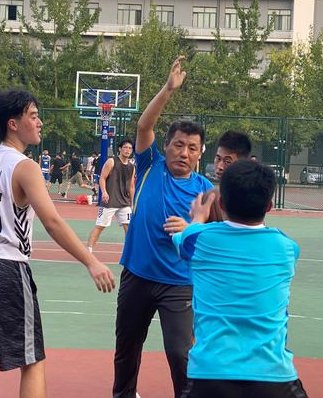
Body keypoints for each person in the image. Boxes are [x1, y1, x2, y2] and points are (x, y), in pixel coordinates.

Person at [0, 88, 115, 398]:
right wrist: (91, 261)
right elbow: (52, 222)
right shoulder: (25, 167)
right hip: (5, 268)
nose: (39, 122)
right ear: (13, 124)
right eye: (33, 116)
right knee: (32, 361)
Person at [113, 56, 214, 398]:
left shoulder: (206, 191)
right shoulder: (150, 165)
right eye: (178, 144)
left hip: (179, 283)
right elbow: (144, 127)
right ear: (166, 146)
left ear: (199, 154)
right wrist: (168, 89)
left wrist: (192, 226)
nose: (184, 152)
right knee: (127, 348)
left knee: (180, 354)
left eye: (192, 148)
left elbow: (216, 238)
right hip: (137, 275)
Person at [173, 160, 308, 398]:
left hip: (209, 376)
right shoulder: (287, 247)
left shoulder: (197, 239)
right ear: (269, 205)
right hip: (274, 377)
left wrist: (198, 217)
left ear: (222, 203)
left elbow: (184, 238)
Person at [86, 139, 135, 253]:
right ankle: (88, 250)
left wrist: (132, 203)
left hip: (124, 202)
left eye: (130, 148)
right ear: (120, 149)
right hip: (110, 201)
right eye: (125, 147)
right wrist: (104, 192)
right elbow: (102, 178)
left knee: (129, 227)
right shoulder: (111, 162)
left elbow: (131, 186)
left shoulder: (131, 166)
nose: (127, 150)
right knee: (100, 226)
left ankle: (129, 252)